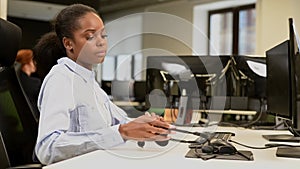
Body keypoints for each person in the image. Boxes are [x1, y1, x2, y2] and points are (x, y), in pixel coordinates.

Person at [35, 4, 173, 165]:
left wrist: (145, 124)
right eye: (90, 37)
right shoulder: (61, 79)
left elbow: (120, 122)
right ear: (68, 43)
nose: (101, 43)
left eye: (103, 35)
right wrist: (122, 132)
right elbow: (48, 148)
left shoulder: (89, 81)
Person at [15, 49, 41, 121]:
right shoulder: (35, 83)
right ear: (27, 62)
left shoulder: (15, 82)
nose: (35, 63)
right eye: (32, 60)